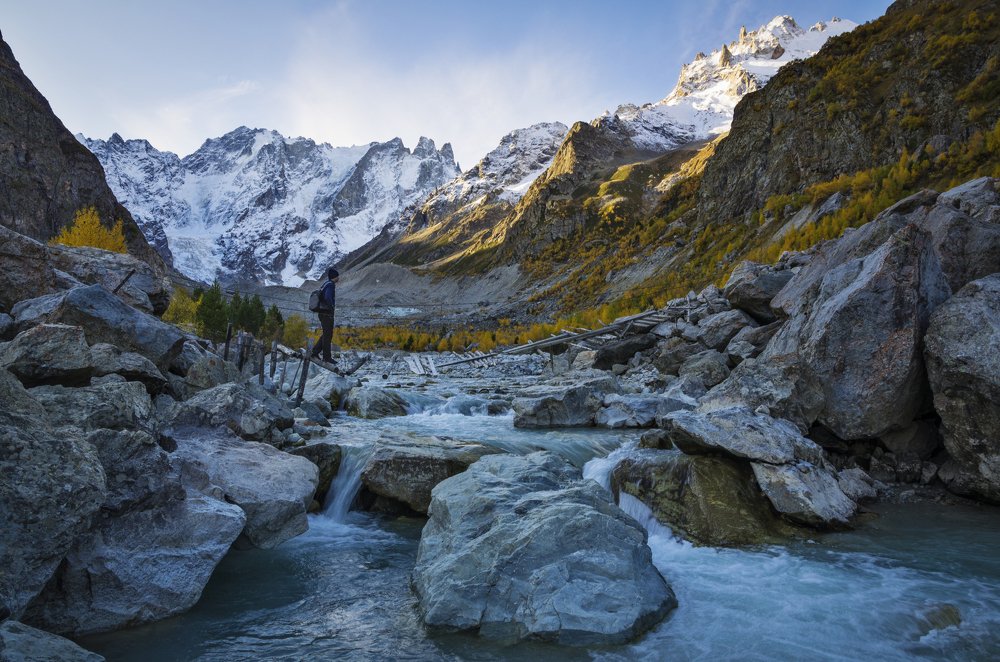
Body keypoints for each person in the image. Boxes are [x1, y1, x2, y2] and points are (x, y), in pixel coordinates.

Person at [311, 267, 338, 363]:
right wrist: (331, 307)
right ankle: (327, 357)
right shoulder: (330, 285)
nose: (338, 278)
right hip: (326, 313)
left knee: (326, 334)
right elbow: (327, 297)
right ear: (334, 277)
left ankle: (315, 352)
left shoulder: (325, 284)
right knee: (328, 335)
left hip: (322, 313)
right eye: (337, 276)